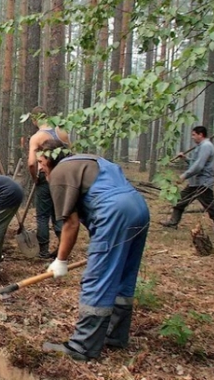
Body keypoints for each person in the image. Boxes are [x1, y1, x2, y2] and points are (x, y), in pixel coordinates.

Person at [35, 138, 149, 361]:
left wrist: (61, 260)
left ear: (50, 158)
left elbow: (70, 223)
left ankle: (82, 347)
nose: (39, 167)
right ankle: (115, 336)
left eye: (41, 161)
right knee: (124, 275)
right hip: (139, 208)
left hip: (114, 213)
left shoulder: (59, 173)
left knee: (98, 278)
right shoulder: (87, 160)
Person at [160, 126, 214, 234]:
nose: (192, 137)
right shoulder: (201, 146)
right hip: (194, 183)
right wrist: (185, 158)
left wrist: (184, 176)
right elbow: (195, 162)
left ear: (201, 135)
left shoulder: (206, 146)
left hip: (203, 183)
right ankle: (173, 223)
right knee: (180, 201)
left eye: (194, 135)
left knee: (210, 207)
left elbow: (199, 166)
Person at [27, 106, 71, 259]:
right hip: (63, 177)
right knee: (59, 213)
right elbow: (70, 154)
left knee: (43, 216)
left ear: (34, 120)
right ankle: (63, 248)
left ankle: (43, 250)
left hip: (45, 177)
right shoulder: (63, 132)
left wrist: (35, 178)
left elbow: (32, 163)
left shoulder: (37, 137)